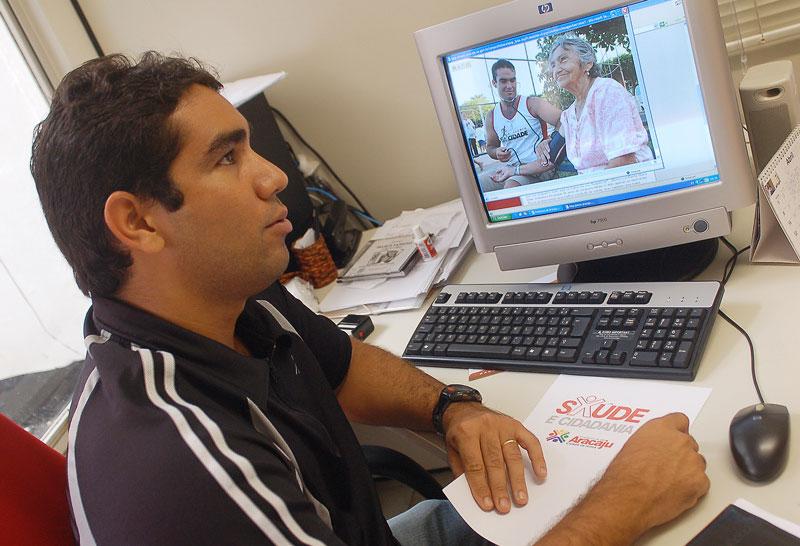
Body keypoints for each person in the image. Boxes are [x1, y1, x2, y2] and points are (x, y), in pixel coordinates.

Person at [30, 52, 709, 545]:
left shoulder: (226, 299)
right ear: (139, 222)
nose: (273, 176)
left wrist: (450, 411)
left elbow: (343, 365)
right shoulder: (182, 469)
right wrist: (626, 504)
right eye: (227, 158)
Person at [539, 34, 654, 174]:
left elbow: (623, 162)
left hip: (627, 181)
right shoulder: (569, 114)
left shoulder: (607, 92)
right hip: (596, 182)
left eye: (563, 59)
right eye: (553, 65)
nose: (556, 70)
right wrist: (545, 145)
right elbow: (553, 151)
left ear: (587, 63)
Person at [481, 59, 562, 192]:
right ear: (494, 83)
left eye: (512, 80)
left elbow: (563, 120)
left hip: (537, 168)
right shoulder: (492, 116)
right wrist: (496, 152)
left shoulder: (532, 104)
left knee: (511, 187)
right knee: (476, 184)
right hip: (510, 169)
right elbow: (490, 147)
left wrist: (551, 139)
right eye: (503, 81)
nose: (509, 86)